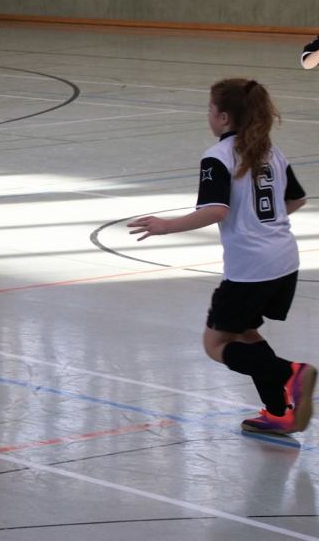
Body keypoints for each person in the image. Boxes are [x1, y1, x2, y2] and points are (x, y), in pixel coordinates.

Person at [128, 78, 313, 435]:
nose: (208, 115)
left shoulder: (218, 156)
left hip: (251, 268)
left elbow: (216, 210)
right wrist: (263, 222)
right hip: (285, 260)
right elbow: (296, 199)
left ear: (224, 117)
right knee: (245, 332)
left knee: (215, 344)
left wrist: (165, 226)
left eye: (210, 109)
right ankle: (279, 412)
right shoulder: (270, 150)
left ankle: (292, 373)